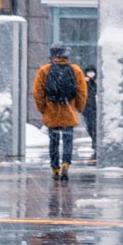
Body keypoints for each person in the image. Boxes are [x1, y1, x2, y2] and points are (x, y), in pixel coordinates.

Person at [33, 43, 89, 181]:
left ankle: (55, 168)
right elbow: (82, 92)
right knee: (68, 140)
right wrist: (79, 108)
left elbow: (37, 93)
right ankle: (66, 164)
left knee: (53, 141)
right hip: (69, 112)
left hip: (52, 113)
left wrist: (43, 109)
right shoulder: (76, 70)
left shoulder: (44, 70)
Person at [81, 64, 100, 158]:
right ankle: (94, 141)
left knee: (95, 127)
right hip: (88, 108)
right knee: (90, 127)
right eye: (89, 72)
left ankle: (96, 143)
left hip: (96, 108)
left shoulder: (97, 82)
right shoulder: (84, 82)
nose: (90, 74)